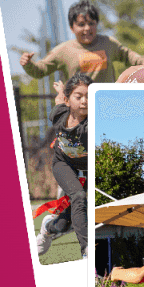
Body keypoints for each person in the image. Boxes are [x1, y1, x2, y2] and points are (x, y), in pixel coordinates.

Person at [19, 0, 144, 83]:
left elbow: (128, 55)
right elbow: (40, 70)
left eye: (91, 23)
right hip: (79, 113)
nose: (87, 28)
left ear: (97, 24)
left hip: (107, 105)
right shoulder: (63, 50)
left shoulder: (108, 43)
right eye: (81, 24)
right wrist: (28, 65)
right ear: (72, 28)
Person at [43, 74, 93, 257]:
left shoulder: (92, 124)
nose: (84, 101)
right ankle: (87, 251)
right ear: (67, 99)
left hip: (89, 169)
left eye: (89, 96)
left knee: (64, 224)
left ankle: (49, 227)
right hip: (63, 164)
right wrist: (60, 90)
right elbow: (58, 100)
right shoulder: (58, 113)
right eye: (79, 97)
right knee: (79, 196)